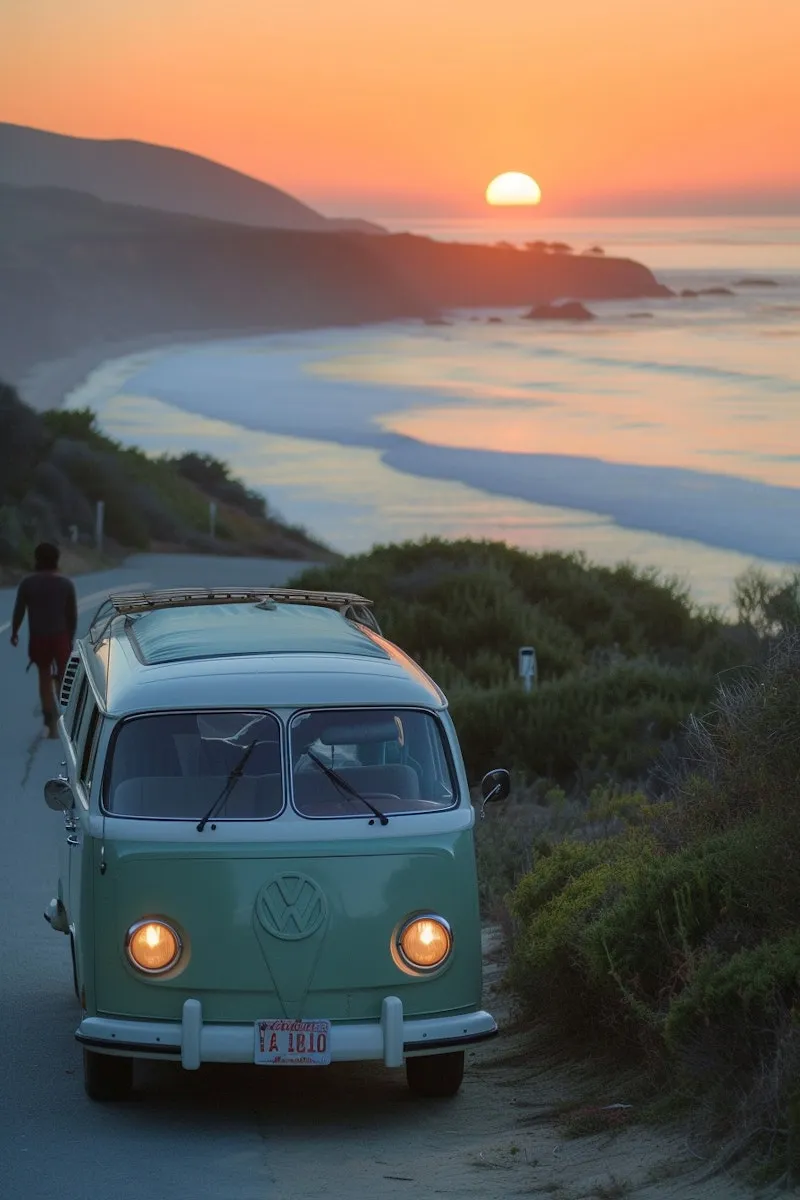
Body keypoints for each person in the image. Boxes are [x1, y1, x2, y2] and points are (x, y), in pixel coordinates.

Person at [9, 542, 77, 738]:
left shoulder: (28, 584)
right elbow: (71, 616)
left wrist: (14, 632)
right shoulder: (65, 584)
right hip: (60, 636)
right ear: (56, 560)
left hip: (38, 637)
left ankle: (50, 722)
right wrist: (69, 639)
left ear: (36, 559)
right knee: (64, 677)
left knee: (43, 675)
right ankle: (64, 713)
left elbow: (19, 610)